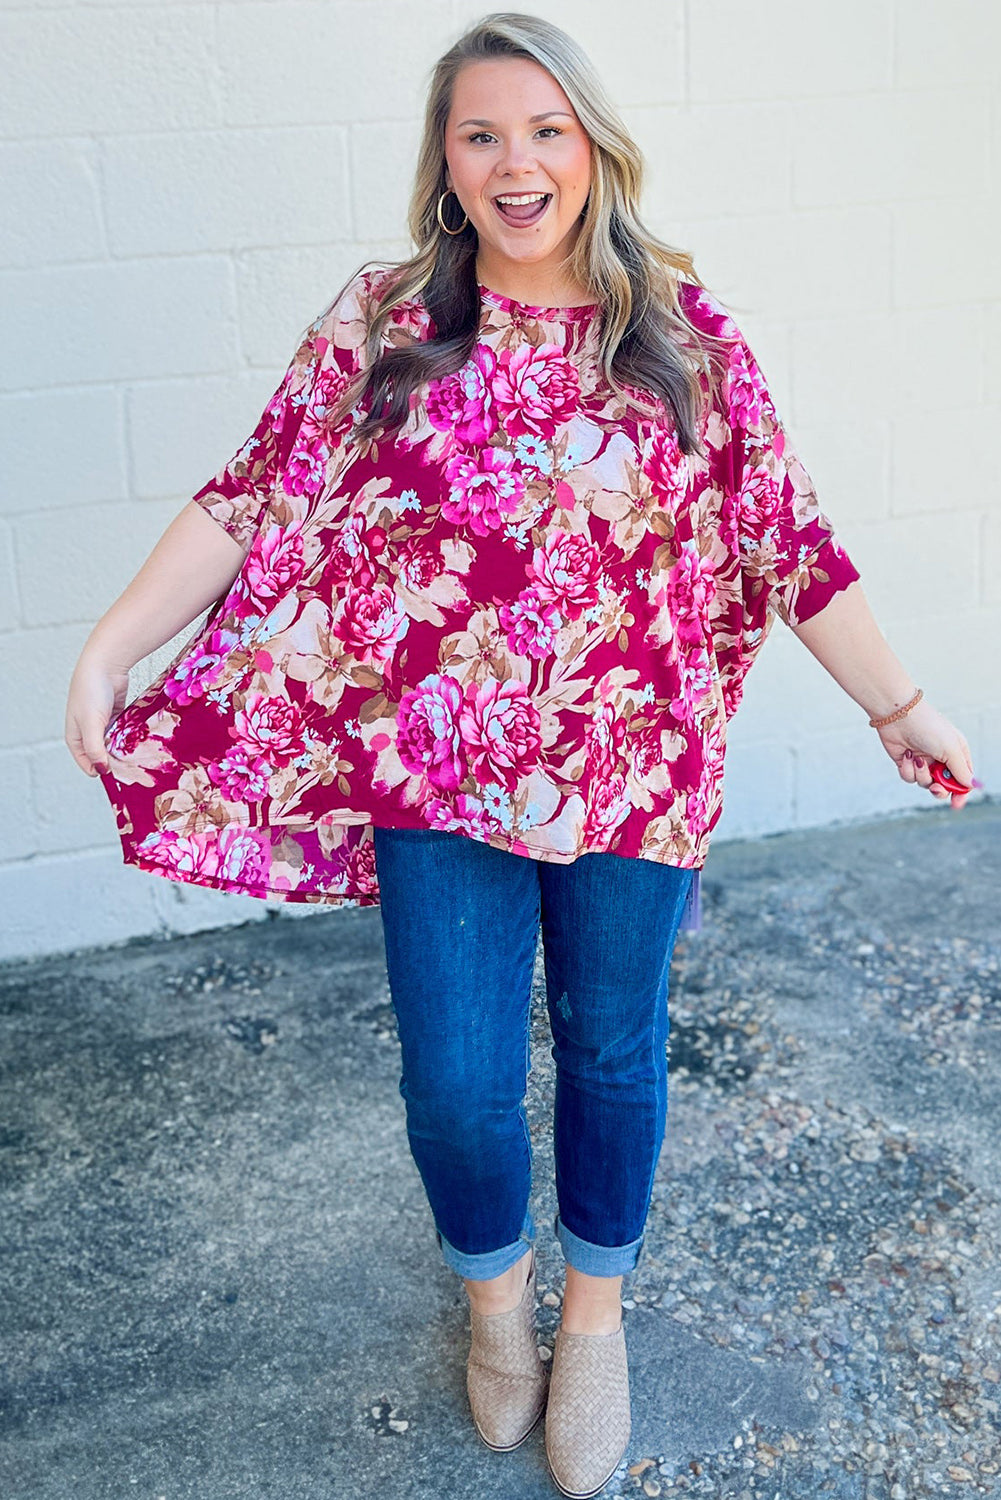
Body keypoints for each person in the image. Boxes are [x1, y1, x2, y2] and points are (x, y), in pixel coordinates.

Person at [64, 12, 977, 1497]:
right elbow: (250, 495)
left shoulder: (682, 341)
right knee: (458, 1081)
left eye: (544, 130)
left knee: (614, 1056)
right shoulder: (386, 324)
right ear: (444, 156)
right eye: (481, 132)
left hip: (633, 783)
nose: (514, 162)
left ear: (594, 149)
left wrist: (897, 702)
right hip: (438, 783)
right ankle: (498, 1309)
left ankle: (596, 1319)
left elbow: (785, 535)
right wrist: (112, 646)